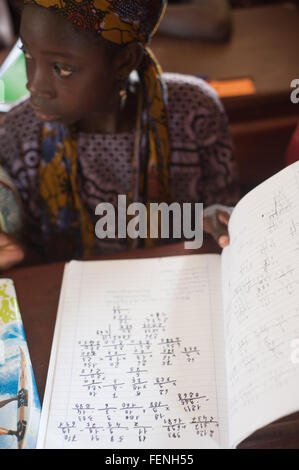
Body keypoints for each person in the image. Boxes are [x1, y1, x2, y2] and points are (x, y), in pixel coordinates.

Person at [0, 0, 239, 269]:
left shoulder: (194, 112)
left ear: (124, 61)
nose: (34, 85)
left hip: (178, 287)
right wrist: (20, 253)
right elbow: (36, 262)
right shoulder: (18, 133)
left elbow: (224, 223)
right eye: (28, 56)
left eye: (62, 68)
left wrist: (215, 221)